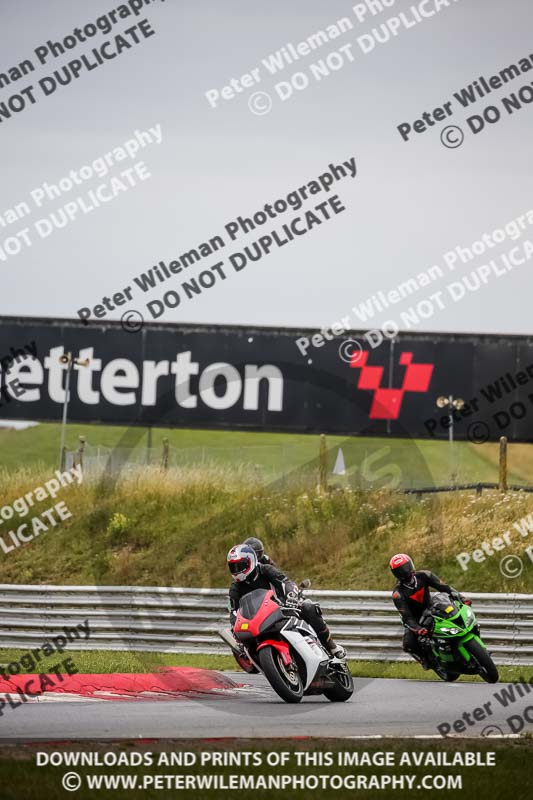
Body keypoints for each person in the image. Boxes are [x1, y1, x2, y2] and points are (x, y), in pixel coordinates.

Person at [227, 543, 346, 658]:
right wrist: (235, 626)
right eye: (233, 567)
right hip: (259, 619)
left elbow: (285, 582)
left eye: (240, 566)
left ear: (251, 561)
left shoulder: (266, 570)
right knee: (244, 646)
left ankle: (331, 646)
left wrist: (291, 596)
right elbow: (234, 612)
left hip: (281, 607)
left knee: (308, 607)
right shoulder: (235, 588)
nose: (237, 570)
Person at [389, 553, 471, 669]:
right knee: (408, 644)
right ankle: (425, 660)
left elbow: (445, 587)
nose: (405, 571)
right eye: (400, 570)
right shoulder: (398, 594)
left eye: (406, 567)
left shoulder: (424, 575)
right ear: (396, 573)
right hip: (415, 618)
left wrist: (461, 597)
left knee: (453, 612)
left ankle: (467, 640)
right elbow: (407, 617)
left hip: (431, 606)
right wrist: (418, 629)